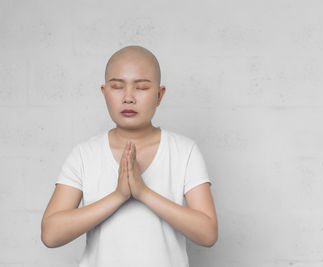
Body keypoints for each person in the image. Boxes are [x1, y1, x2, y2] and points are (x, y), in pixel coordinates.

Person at [41, 45, 218, 266]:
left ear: (159, 95)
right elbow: (50, 234)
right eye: (117, 87)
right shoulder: (84, 154)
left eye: (142, 88)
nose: (128, 97)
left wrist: (143, 192)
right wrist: (118, 196)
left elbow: (208, 233)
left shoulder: (184, 151)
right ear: (105, 93)